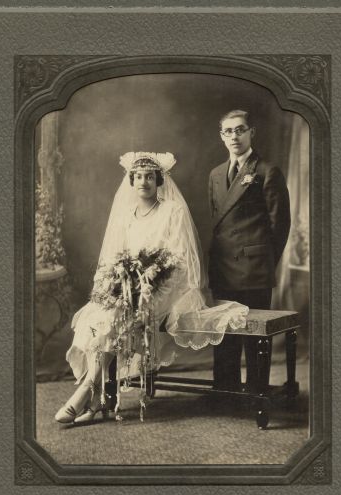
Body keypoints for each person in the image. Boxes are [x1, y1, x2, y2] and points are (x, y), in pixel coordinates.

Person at [55, 152, 248, 425]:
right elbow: (113, 256)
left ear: (158, 181)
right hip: (128, 286)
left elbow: (181, 258)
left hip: (166, 288)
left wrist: (149, 279)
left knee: (115, 317)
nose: (143, 182)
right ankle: (95, 397)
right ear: (131, 182)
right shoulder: (125, 215)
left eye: (149, 177)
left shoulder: (173, 211)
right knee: (96, 317)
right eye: (138, 177)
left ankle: (87, 392)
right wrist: (115, 281)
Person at [208, 110, 291, 393]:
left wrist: (264, 261)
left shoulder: (267, 170)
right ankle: (225, 392)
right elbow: (217, 224)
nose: (234, 136)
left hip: (253, 269)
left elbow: (280, 225)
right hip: (222, 268)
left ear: (251, 133)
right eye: (228, 131)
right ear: (222, 136)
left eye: (240, 130)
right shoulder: (216, 174)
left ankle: (257, 394)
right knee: (224, 335)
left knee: (254, 337)